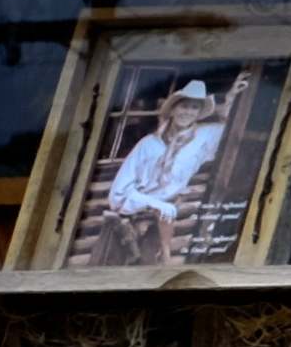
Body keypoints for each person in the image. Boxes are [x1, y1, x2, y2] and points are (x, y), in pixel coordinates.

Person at [82, 75, 233, 265]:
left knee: (152, 274)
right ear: (173, 109)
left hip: (158, 226)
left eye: (194, 107)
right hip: (125, 226)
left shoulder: (202, 138)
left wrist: (230, 101)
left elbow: (231, 129)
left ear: (199, 112)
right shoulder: (147, 145)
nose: (188, 112)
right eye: (184, 106)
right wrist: (155, 203)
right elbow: (117, 194)